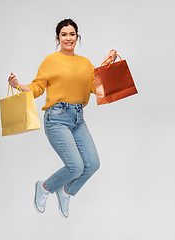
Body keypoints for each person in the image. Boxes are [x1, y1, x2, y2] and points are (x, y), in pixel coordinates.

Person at [8, 19, 117, 218]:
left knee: (92, 164)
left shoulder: (85, 63)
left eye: (72, 34)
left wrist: (107, 64)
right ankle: (44, 187)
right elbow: (37, 88)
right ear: (58, 38)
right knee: (75, 166)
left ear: (77, 37)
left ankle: (66, 191)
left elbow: (98, 87)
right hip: (56, 118)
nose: (68, 38)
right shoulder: (50, 60)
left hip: (78, 118)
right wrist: (19, 85)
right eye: (64, 34)